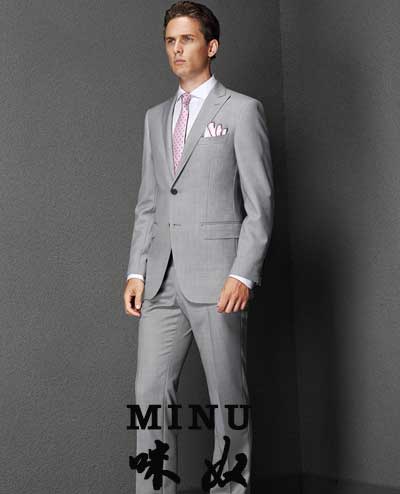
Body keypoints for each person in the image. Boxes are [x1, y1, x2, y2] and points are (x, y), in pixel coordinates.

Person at [123, 2, 274, 492]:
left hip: (218, 280)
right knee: (150, 395)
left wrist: (242, 272)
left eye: (186, 39)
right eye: (170, 40)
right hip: (161, 280)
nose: (176, 49)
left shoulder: (242, 111)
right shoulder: (154, 118)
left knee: (228, 399)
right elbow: (149, 202)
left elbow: (259, 203)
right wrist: (136, 271)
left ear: (211, 46)